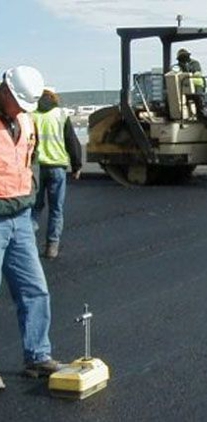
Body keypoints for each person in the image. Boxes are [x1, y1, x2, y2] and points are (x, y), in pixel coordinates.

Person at [0, 65, 62, 390]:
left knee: (34, 290)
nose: (23, 111)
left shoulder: (25, 119)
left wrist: (33, 190)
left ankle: (37, 356)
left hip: (21, 219)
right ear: (6, 91)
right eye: (19, 103)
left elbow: (31, 157)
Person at [31, 89, 82, 259]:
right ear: (54, 98)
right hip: (57, 167)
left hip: (36, 168)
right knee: (56, 209)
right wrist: (77, 166)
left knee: (34, 208)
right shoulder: (61, 114)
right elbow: (71, 141)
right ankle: (52, 246)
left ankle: (28, 244)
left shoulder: (32, 115)